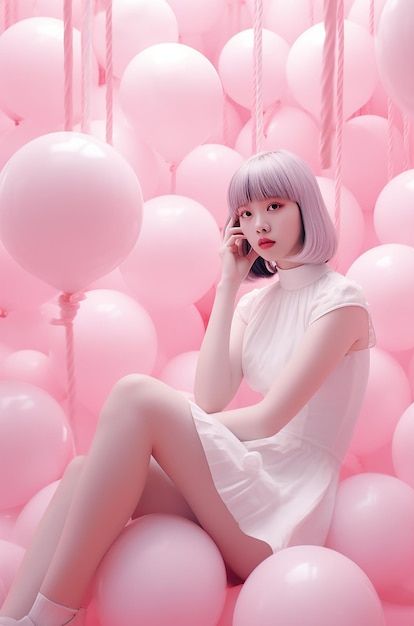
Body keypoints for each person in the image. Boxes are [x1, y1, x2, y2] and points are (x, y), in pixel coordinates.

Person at [0, 149, 374, 626]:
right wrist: (228, 284)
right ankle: (13, 619)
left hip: (284, 503)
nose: (260, 223)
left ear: (306, 207)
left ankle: (51, 617)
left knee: (138, 395)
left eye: (275, 206)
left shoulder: (342, 301)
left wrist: (165, 437)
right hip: (249, 480)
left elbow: (268, 418)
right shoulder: (255, 306)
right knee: (81, 471)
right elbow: (213, 396)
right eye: (246, 212)